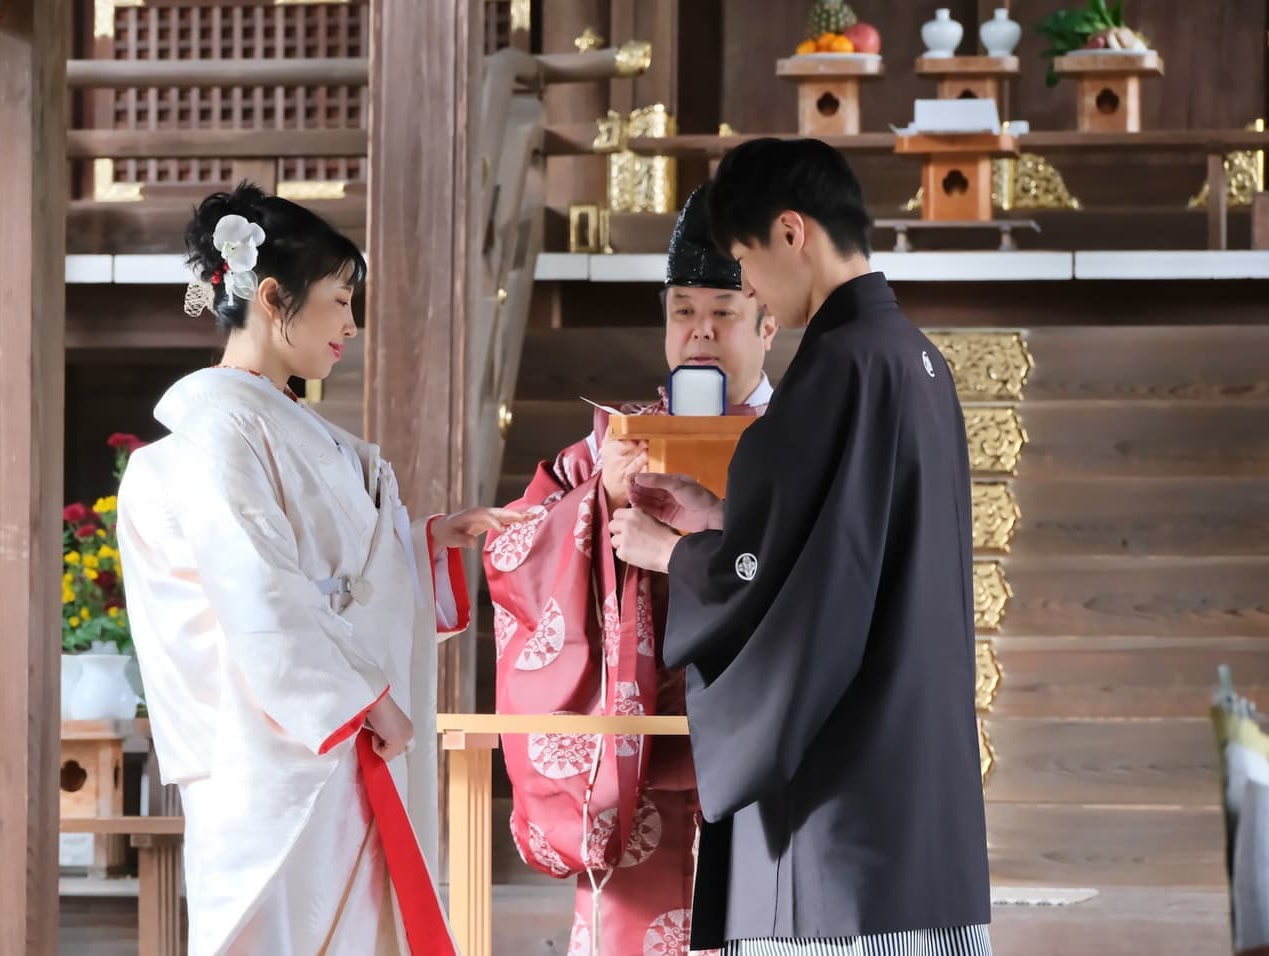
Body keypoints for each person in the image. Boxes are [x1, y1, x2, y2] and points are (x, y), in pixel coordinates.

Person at [608, 138, 993, 955]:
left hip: (840, 805)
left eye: (744, 261)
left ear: (791, 233)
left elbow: (791, 586)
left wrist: (670, 554)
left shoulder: (836, 370)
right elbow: (841, 544)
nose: (745, 287)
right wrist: (718, 517)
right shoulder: (917, 360)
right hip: (919, 786)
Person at [117, 182, 520, 955]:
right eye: (339, 300)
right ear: (273, 297)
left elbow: (335, 567)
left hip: (332, 740)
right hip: (286, 749)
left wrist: (429, 541)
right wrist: (363, 700)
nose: (351, 324)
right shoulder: (218, 423)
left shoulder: (279, 419)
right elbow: (255, 585)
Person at [483, 184, 778, 956]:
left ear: (768, 321)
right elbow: (511, 545)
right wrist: (595, 500)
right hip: (635, 765)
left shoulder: (803, 441)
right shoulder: (611, 445)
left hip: (765, 755)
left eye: (725, 310)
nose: (701, 332)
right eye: (683, 311)